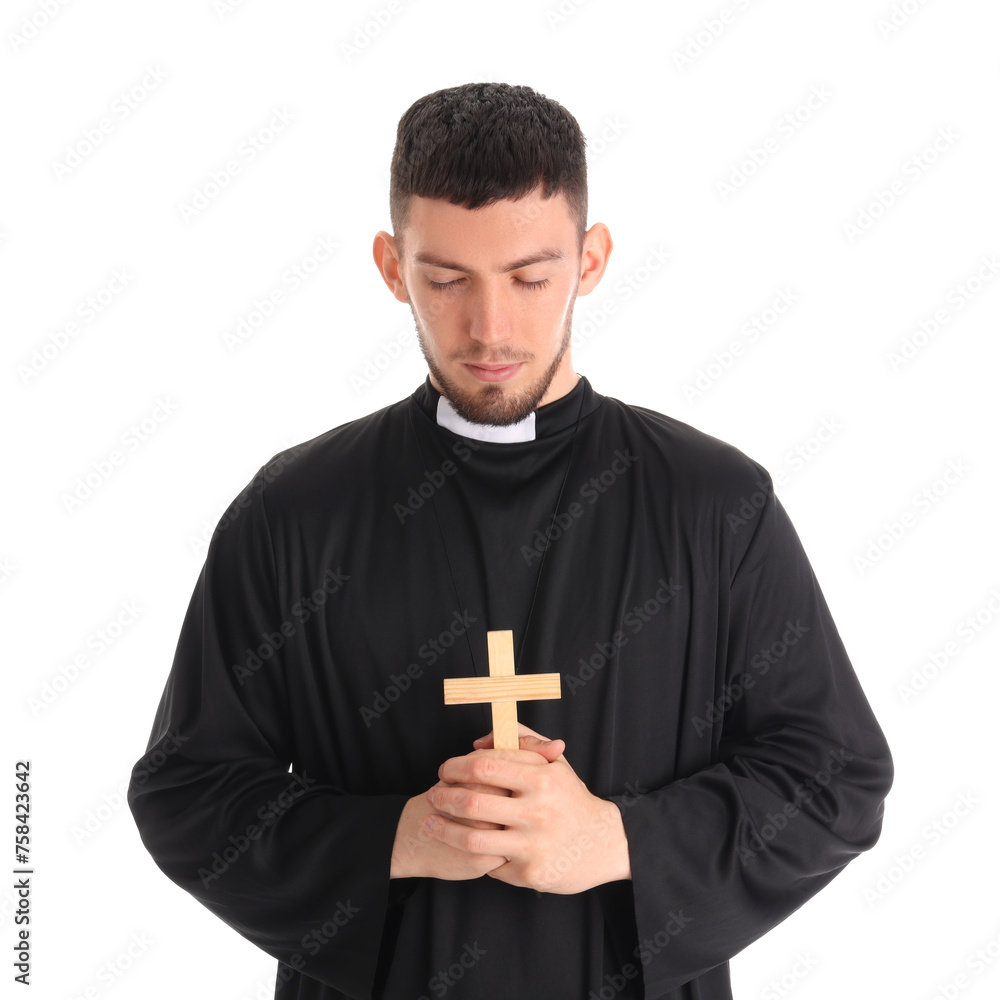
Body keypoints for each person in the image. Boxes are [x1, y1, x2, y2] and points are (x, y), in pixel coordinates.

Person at [128, 82, 893, 1000]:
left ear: (592, 259)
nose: (490, 329)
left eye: (531, 279)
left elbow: (835, 778)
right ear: (389, 265)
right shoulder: (295, 511)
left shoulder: (715, 503)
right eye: (445, 280)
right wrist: (400, 839)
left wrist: (618, 841)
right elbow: (187, 791)